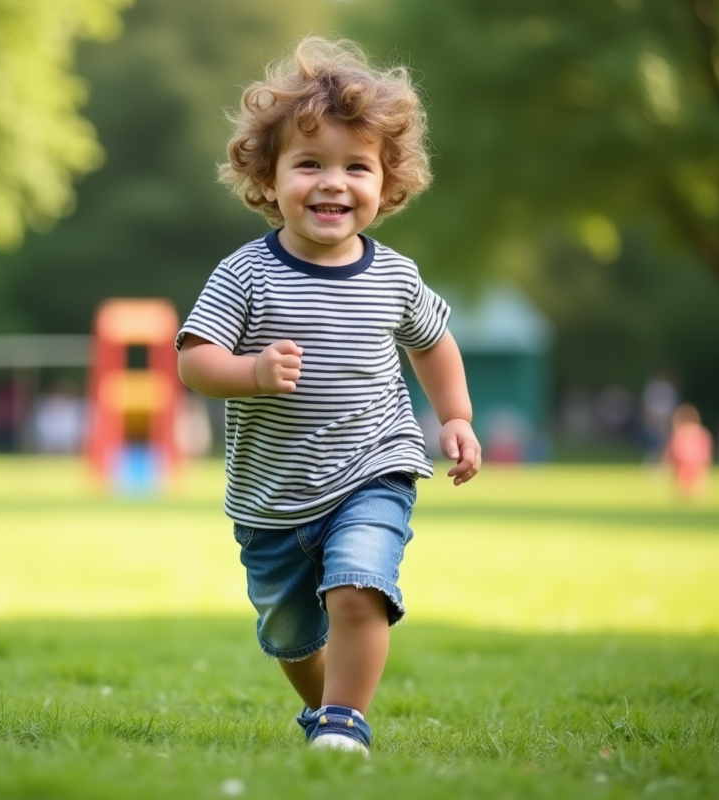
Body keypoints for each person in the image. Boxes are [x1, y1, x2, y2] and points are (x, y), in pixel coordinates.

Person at [176, 36, 480, 756]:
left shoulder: (396, 277)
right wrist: (248, 373)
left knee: (358, 588)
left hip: (374, 467)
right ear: (269, 177)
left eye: (356, 167)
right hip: (272, 496)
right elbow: (194, 360)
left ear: (387, 181)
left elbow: (433, 342)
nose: (332, 183)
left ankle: (345, 724)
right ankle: (330, 709)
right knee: (290, 635)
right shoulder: (246, 274)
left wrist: (457, 416)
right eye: (309, 164)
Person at [664, 403, 712, 499]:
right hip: (688, 459)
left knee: (687, 475)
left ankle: (688, 493)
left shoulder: (683, 432)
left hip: (688, 459)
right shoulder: (696, 432)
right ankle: (688, 493)